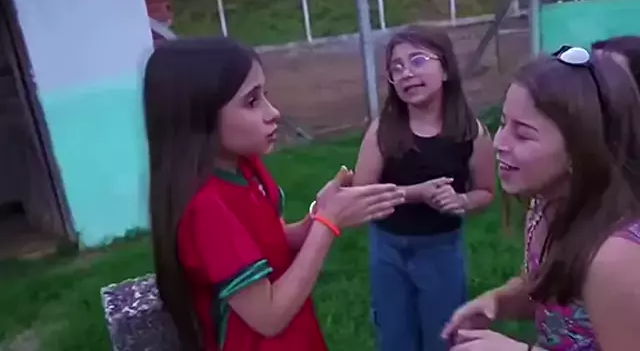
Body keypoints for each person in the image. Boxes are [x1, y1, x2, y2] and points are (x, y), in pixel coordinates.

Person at [143, 37, 406, 351]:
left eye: (264, 96)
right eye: (252, 101)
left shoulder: (246, 167)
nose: (274, 113)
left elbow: (271, 239)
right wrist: (328, 224)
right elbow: (268, 316)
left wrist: (315, 219)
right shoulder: (205, 208)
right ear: (199, 115)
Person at [442, 47, 640, 351]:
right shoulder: (544, 203)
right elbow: (548, 286)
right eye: (503, 123)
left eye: (523, 134)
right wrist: (501, 300)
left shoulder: (615, 258)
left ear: (581, 150)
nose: (498, 142)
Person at [353, 27, 495, 351]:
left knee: (443, 335)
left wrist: (461, 201)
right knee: (394, 336)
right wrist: (416, 193)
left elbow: (486, 192)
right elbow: (361, 193)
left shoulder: (471, 133)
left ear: (445, 69)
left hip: (441, 250)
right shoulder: (383, 130)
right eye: (396, 68)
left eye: (417, 61)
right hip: (388, 250)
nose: (406, 73)